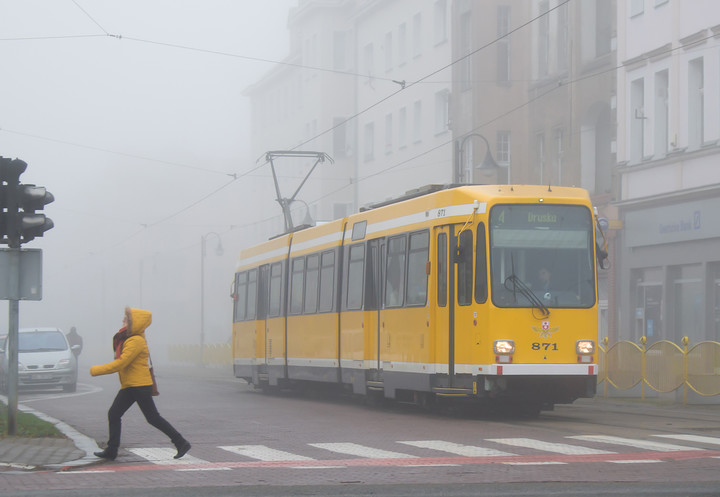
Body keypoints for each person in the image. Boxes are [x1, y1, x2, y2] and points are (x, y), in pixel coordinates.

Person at [90, 307, 191, 461]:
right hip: (131, 385)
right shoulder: (129, 339)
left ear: (133, 323)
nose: (123, 321)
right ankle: (111, 450)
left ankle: (181, 442)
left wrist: (96, 370)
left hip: (139, 386)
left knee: (152, 417)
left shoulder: (135, 341)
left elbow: (121, 363)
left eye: (126, 319)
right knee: (115, 413)